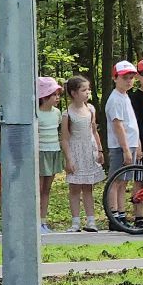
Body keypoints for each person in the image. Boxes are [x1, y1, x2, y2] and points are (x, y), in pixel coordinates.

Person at [61, 76, 105, 232]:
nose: (87, 92)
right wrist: (68, 159)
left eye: (88, 89)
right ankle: (75, 222)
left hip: (89, 150)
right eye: (83, 90)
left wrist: (99, 150)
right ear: (74, 93)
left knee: (88, 187)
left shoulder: (91, 109)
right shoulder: (67, 114)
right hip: (75, 151)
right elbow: (65, 138)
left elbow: (94, 131)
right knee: (74, 188)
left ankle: (91, 221)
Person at [103, 61, 140, 222]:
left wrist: (136, 144)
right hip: (120, 146)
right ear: (115, 78)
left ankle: (122, 213)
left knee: (124, 181)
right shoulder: (115, 99)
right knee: (116, 180)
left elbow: (131, 124)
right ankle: (114, 214)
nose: (129, 81)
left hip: (130, 144)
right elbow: (118, 125)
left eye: (131, 78)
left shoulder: (125, 97)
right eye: (125, 77)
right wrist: (125, 149)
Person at [35, 77, 64, 232]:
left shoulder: (57, 113)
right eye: (54, 94)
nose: (57, 98)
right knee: (38, 189)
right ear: (44, 96)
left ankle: (43, 220)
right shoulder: (36, 113)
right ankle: (35, 221)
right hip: (40, 153)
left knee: (47, 189)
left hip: (53, 152)